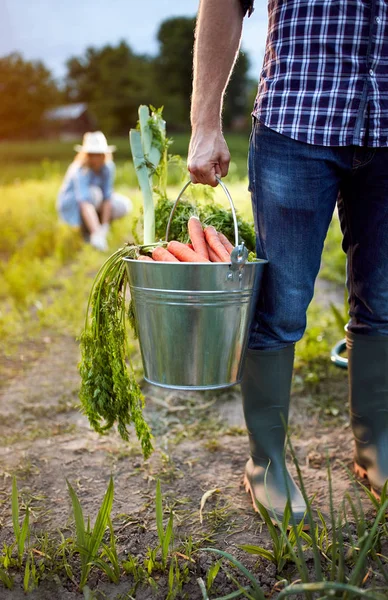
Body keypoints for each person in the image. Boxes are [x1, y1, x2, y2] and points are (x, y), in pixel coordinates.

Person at [188, 0, 388, 524]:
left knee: (384, 302)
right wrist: (205, 121)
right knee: (281, 307)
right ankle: (266, 463)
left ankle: (375, 450)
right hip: (298, 119)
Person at [57, 131, 132, 251]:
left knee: (123, 205)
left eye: (98, 154)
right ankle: (91, 232)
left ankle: (100, 227)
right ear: (86, 155)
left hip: (95, 202)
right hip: (73, 204)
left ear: (104, 154)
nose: (96, 158)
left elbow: (108, 197)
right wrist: (97, 233)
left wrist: (104, 228)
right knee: (95, 193)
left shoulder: (108, 167)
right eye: (92, 154)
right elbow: (84, 202)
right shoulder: (80, 169)